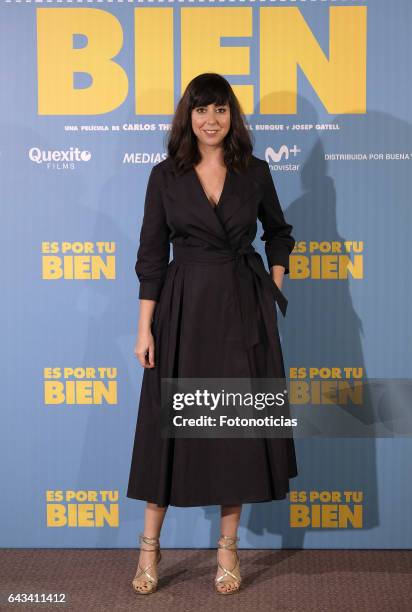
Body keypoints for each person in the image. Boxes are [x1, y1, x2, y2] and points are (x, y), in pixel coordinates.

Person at [126, 73, 298, 595]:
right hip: (184, 311)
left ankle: (229, 548)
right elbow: (152, 258)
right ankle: (149, 549)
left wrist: (270, 284)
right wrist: (144, 329)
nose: (211, 120)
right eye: (201, 110)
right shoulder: (165, 176)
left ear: (232, 116)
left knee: (234, 429)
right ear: (188, 117)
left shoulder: (256, 173)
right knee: (171, 426)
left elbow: (280, 233)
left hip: (242, 309)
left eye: (220, 110)